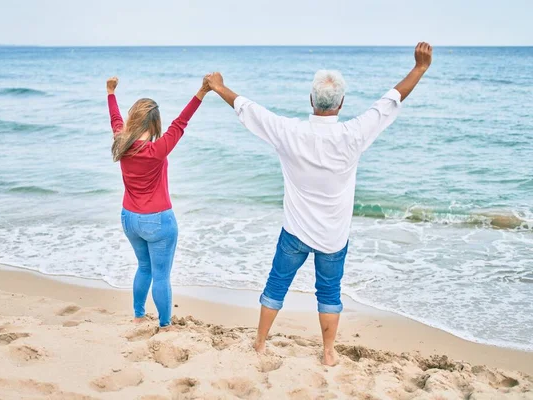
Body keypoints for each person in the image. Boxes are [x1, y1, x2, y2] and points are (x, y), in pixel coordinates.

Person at [205, 43, 433, 365]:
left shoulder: (289, 132)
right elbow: (390, 101)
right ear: (341, 103)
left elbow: (248, 109)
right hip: (333, 238)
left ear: (311, 101)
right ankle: (327, 354)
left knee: (276, 284)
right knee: (329, 293)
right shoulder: (353, 134)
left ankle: (259, 344)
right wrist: (420, 68)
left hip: (294, 233)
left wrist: (218, 87)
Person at [106, 75, 211, 328]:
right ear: (154, 124)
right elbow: (181, 122)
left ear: (133, 121)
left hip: (129, 218)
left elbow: (115, 120)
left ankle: (139, 315)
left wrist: (110, 92)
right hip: (158, 221)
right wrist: (202, 91)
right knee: (161, 276)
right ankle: (165, 324)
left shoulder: (121, 143)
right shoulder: (157, 150)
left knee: (144, 268)